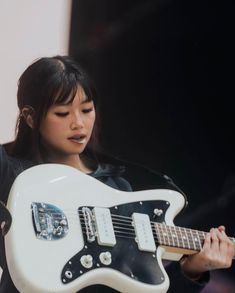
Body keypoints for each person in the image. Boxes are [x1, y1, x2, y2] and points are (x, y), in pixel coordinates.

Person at [0, 55, 234, 293]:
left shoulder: (118, 189)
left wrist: (192, 270)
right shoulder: (14, 177)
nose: (79, 123)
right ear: (30, 117)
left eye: (87, 110)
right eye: (62, 113)